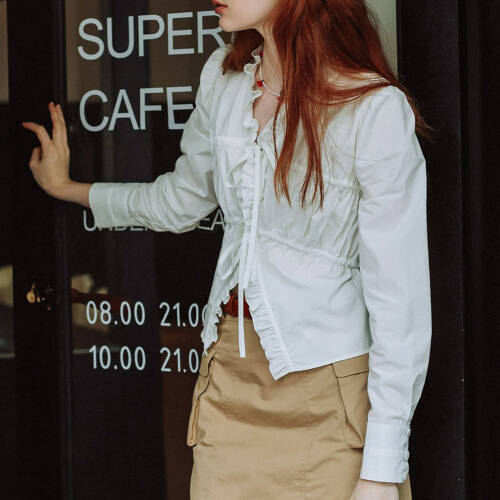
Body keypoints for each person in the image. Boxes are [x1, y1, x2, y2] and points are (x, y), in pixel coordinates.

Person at [22, 1, 434, 498]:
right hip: (228, 383)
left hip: (327, 396)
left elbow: (401, 307)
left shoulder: (372, 108)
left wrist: (382, 470)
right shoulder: (225, 80)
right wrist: (70, 189)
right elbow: (179, 201)